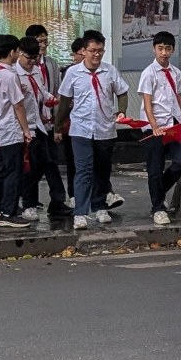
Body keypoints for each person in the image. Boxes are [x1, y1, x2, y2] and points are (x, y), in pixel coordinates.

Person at [55, 30, 129, 230]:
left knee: (102, 169)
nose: (97, 55)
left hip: (105, 128)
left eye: (100, 51)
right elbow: (64, 102)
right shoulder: (73, 73)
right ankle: (80, 211)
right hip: (80, 128)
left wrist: (121, 111)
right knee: (83, 170)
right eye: (93, 51)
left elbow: (122, 92)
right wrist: (57, 126)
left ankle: (100, 206)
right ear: (84, 51)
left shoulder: (110, 71)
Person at [0, 34, 34, 228]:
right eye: (18, 50)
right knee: (13, 173)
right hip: (10, 131)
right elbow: (18, 105)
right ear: (12, 52)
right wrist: (26, 129)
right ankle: (7, 212)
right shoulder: (10, 75)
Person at [137, 31, 181, 226]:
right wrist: (154, 127)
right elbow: (147, 103)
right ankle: (157, 208)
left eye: (168, 49)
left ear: (173, 50)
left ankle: (160, 192)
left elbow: (178, 99)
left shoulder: (175, 73)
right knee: (155, 169)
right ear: (154, 49)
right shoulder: (148, 73)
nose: (164, 53)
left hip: (173, 125)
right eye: (160, 48)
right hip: (154, 128)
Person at [14, 36, 69, 219]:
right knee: (33, 166)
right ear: (20, 54)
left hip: (39, 124)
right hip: (23, 127)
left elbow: (42, 92)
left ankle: (57, 201)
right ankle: (28, 203)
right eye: (28, 59)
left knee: (50, 162)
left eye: (35, 59)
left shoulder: (36, 71)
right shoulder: (13, 74)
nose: (32, 63)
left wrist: (55, 100)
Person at [61, 37, 85, 209]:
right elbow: (64, 101)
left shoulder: (104, 70)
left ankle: (102, 195)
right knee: (73, 161)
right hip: (72, 124)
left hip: (94, 126)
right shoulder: (70, 72)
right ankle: (74, 195)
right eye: (81, 53)